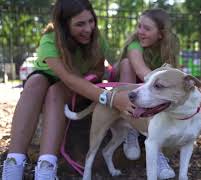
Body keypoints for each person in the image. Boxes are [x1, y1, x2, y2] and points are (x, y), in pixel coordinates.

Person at [1, 0, 132, 179]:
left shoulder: (97, 40)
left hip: (74, 91)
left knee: (55, 92)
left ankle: (46, 166)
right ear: (63, 26)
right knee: (35, 82)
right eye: (80, 24)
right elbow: (69, 79)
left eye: (91, 21)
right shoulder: (49, 41)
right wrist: (111, 98)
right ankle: (13, 164)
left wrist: (94, 78)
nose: (88, 29)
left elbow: (99, 71)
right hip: (53, 82)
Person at [117, 8, 180, 179]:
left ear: (160, 34)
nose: (140, 32)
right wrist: (160, 84)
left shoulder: (168, 49)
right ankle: (130, 127)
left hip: (149, 94)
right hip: (129, 90)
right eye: (139, 26)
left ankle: (157, 152)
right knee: (126, 64)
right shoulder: (134, 45)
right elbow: (142, 71)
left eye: (147, 28)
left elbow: (174, 73)